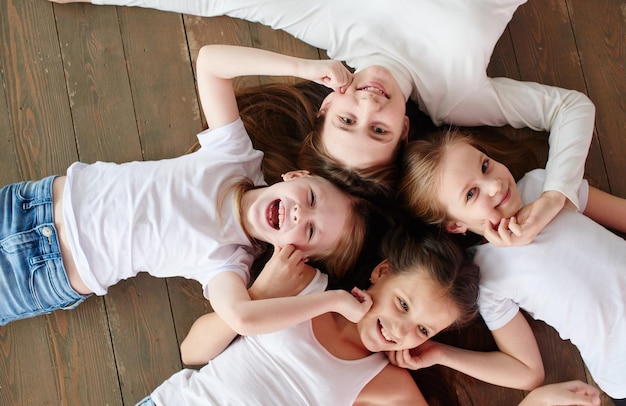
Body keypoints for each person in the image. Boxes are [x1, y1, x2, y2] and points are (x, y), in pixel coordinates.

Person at [49, 0, 596, 245]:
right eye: (378, 129)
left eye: (350, 119)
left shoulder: (331, 20)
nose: (371, 106)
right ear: (405, 129)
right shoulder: (460, 98)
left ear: (328, 104)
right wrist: (556, 195)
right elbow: (569, 108)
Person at [0, 44, 372, 333]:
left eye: (308, 229)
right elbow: (210, 61)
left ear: (295, 253)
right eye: (309, 199)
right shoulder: (236, 158)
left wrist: (333, 301)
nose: (297, 213)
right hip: (32, 204)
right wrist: (305, 68)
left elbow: (242, 318)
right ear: (296, 176)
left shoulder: (228, 260)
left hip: (44, 273)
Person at [124, 218, 482, 406]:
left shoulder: (387, 388)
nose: (402, 330)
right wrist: (259, 297)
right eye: (403, 304)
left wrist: (442, 354)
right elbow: (193, 351)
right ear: (382, 272)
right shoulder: (306, 285)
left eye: (423, 328)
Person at [394, 128, 626, 406]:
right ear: (455, 225)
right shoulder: (485, 275)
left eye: (484, 165)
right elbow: (528, 372)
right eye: (470, 193)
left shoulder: (544, 186)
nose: (493, 185)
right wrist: (442, 353)